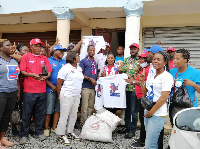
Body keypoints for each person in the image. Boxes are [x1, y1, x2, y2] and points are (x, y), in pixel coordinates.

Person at [19, 38, 52, 144]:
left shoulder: (44, 58)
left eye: (40, 46)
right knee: (26, 113)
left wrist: (45, 77)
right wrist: (31, 75)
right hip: (29, 90)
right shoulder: (26, 57)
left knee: (40, 113)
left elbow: (49, 72)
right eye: (37, 46)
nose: (40, 47)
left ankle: (39, 132)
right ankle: (24, 134)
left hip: (41, 90)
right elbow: (22, 71)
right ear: (32, 47)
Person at [140, 51, 173, 149]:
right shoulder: (151, 75)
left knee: (150, 145)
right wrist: (142, 82)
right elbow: (146, 93)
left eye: (159, 59)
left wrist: (151, 112)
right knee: (149, 142)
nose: (155, 61)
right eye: (154, 59)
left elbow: (164, 97)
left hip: (157, 114)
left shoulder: (167, 77)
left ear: (165, 63)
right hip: (148, 110)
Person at [56, 51, 83, 145]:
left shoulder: (79, 68)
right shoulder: (66, 68)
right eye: (77, 56)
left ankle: (70, 132)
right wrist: (59, 96)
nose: (79, 57)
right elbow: (59, 83)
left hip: (76, 95)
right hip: (67, 95)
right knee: (64, 115)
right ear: (72, 58)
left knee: (73, 115)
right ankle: (61, 135)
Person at [170, 49, 200, 123]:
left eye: (178, 59)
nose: (174, 61)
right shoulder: (171, 71)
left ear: (185, 60)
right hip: (174, 106)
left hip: (189, 107)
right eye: (174, 58)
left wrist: (193, 84)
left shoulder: (195, 73)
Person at [127, 49, 150, 148]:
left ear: (147, 59)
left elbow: (143, 83)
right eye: (140, 58)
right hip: (139, 96)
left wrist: (132, 81)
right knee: (142, 119)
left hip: (143, 97)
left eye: (143, 59)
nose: (140, 60)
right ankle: (142, 138)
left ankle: (142, 141)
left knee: (143, 119)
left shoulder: (148, 70)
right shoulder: (142, 69)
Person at [117, 43, 140, 139]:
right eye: (131, 49)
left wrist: (132, 77)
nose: (133, 51)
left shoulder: (140, 61)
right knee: (126, 109)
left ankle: (132, 130)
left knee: (134, 110)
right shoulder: (126, 60)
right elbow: (122, 70)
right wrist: (120, 70)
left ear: (138, 50)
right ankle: (127, 127)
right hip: (125, 88)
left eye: (134, 49)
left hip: (135, 88)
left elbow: (142, 75)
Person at [0, 39, 20, 148]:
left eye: (12, 45)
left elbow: (16, 77)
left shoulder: (13, 60)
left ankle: (2, 138)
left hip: (12, 92)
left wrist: (18, 91)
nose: (11, 46)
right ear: (1, 48)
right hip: (1, 92)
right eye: (8, 45)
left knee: (6, 117)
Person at [44, 45, 67, 137]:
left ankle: (54, 128)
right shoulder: (48, 61)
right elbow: (44, 75)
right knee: (49, 110)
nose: (63, 53)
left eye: (63, 51)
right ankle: (46, 128)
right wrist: (51, 86)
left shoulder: (65, 62)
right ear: (55, 51)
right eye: (61, 51)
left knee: (58, 109)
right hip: (50, 89)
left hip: (61, 90)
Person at [79, 45, 97, 126]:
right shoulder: (83, 61)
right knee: (84, 107)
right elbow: (79, 74)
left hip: (93, 88)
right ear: (87, 51)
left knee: (90, 107)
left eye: (93, 50)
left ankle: (88, 123)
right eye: (90, 50)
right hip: (85, 87)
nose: (92, 52)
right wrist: (90, 79)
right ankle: (83, 123)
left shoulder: (94, 61)